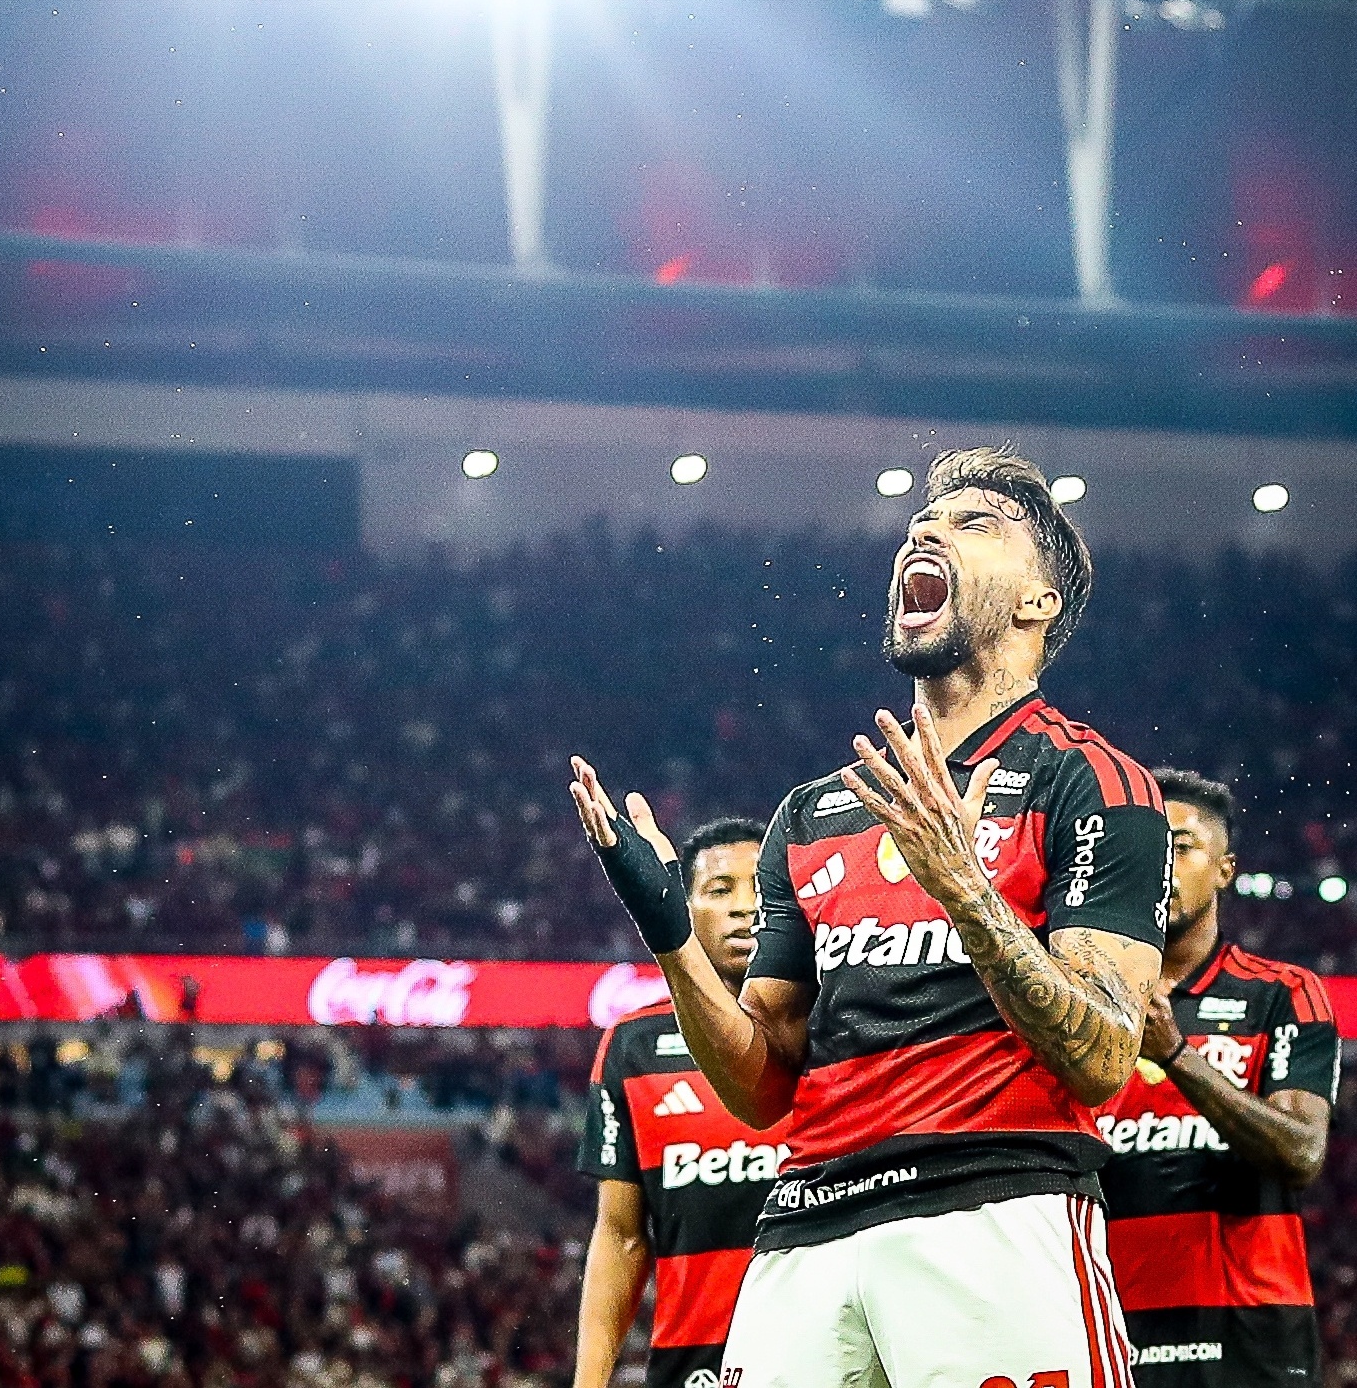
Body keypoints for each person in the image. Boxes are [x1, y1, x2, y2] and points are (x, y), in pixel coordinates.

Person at [570, 445, 1172, 1388]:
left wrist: (965, 891)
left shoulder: (1091, 780)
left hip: (994, 1211)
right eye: (921, 524)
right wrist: (671, 939)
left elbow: (1101, 1058)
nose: (923, 532)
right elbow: (762, 1088)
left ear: (1035, 603)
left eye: (974, 524)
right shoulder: (809, 814)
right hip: (805, 1229)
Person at [1097, 769, 1339, 1386]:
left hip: (1248, 1335)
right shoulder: (1083, 999)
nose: (1160, 866)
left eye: (1179, 848)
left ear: (1226, 869)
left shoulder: (1283, 994)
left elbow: (1301, 1151)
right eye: (1146, 848)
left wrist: (1175, 1054)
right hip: (1109, 1326)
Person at [573, 818, 792, 1388]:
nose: (747, 907)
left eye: (764, 889)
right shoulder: (634, 1047)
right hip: (690, 1366)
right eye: (721, 890)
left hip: (821, 1350)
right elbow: (621, 1235)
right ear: (683, 907)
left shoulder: (831, 1028)